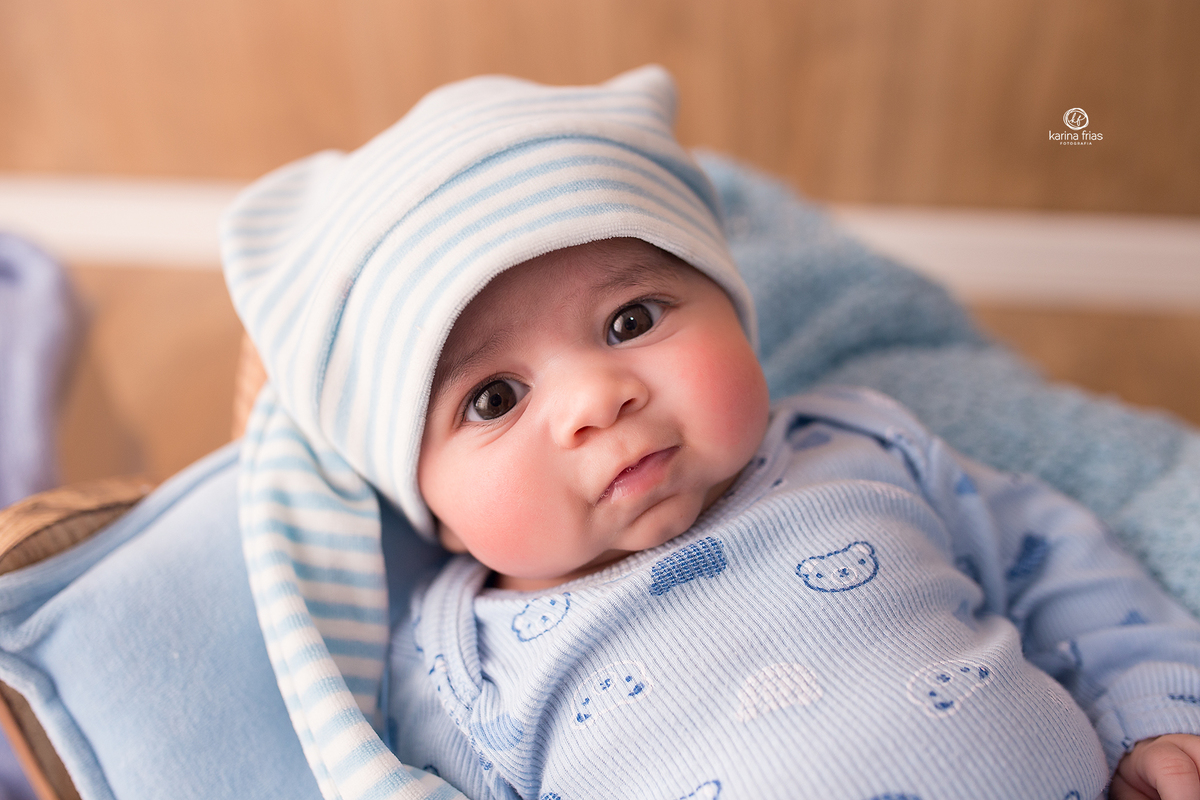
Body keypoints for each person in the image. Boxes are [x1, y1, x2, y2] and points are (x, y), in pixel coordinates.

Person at [223, 66, 1200, 800]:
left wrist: (1150, 714)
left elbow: (1063, 569)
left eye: (632, 320)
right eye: (493, 397)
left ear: (739, 314)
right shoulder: (458, 664)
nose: (596, 399)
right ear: (427, 505)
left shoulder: (863, 447)